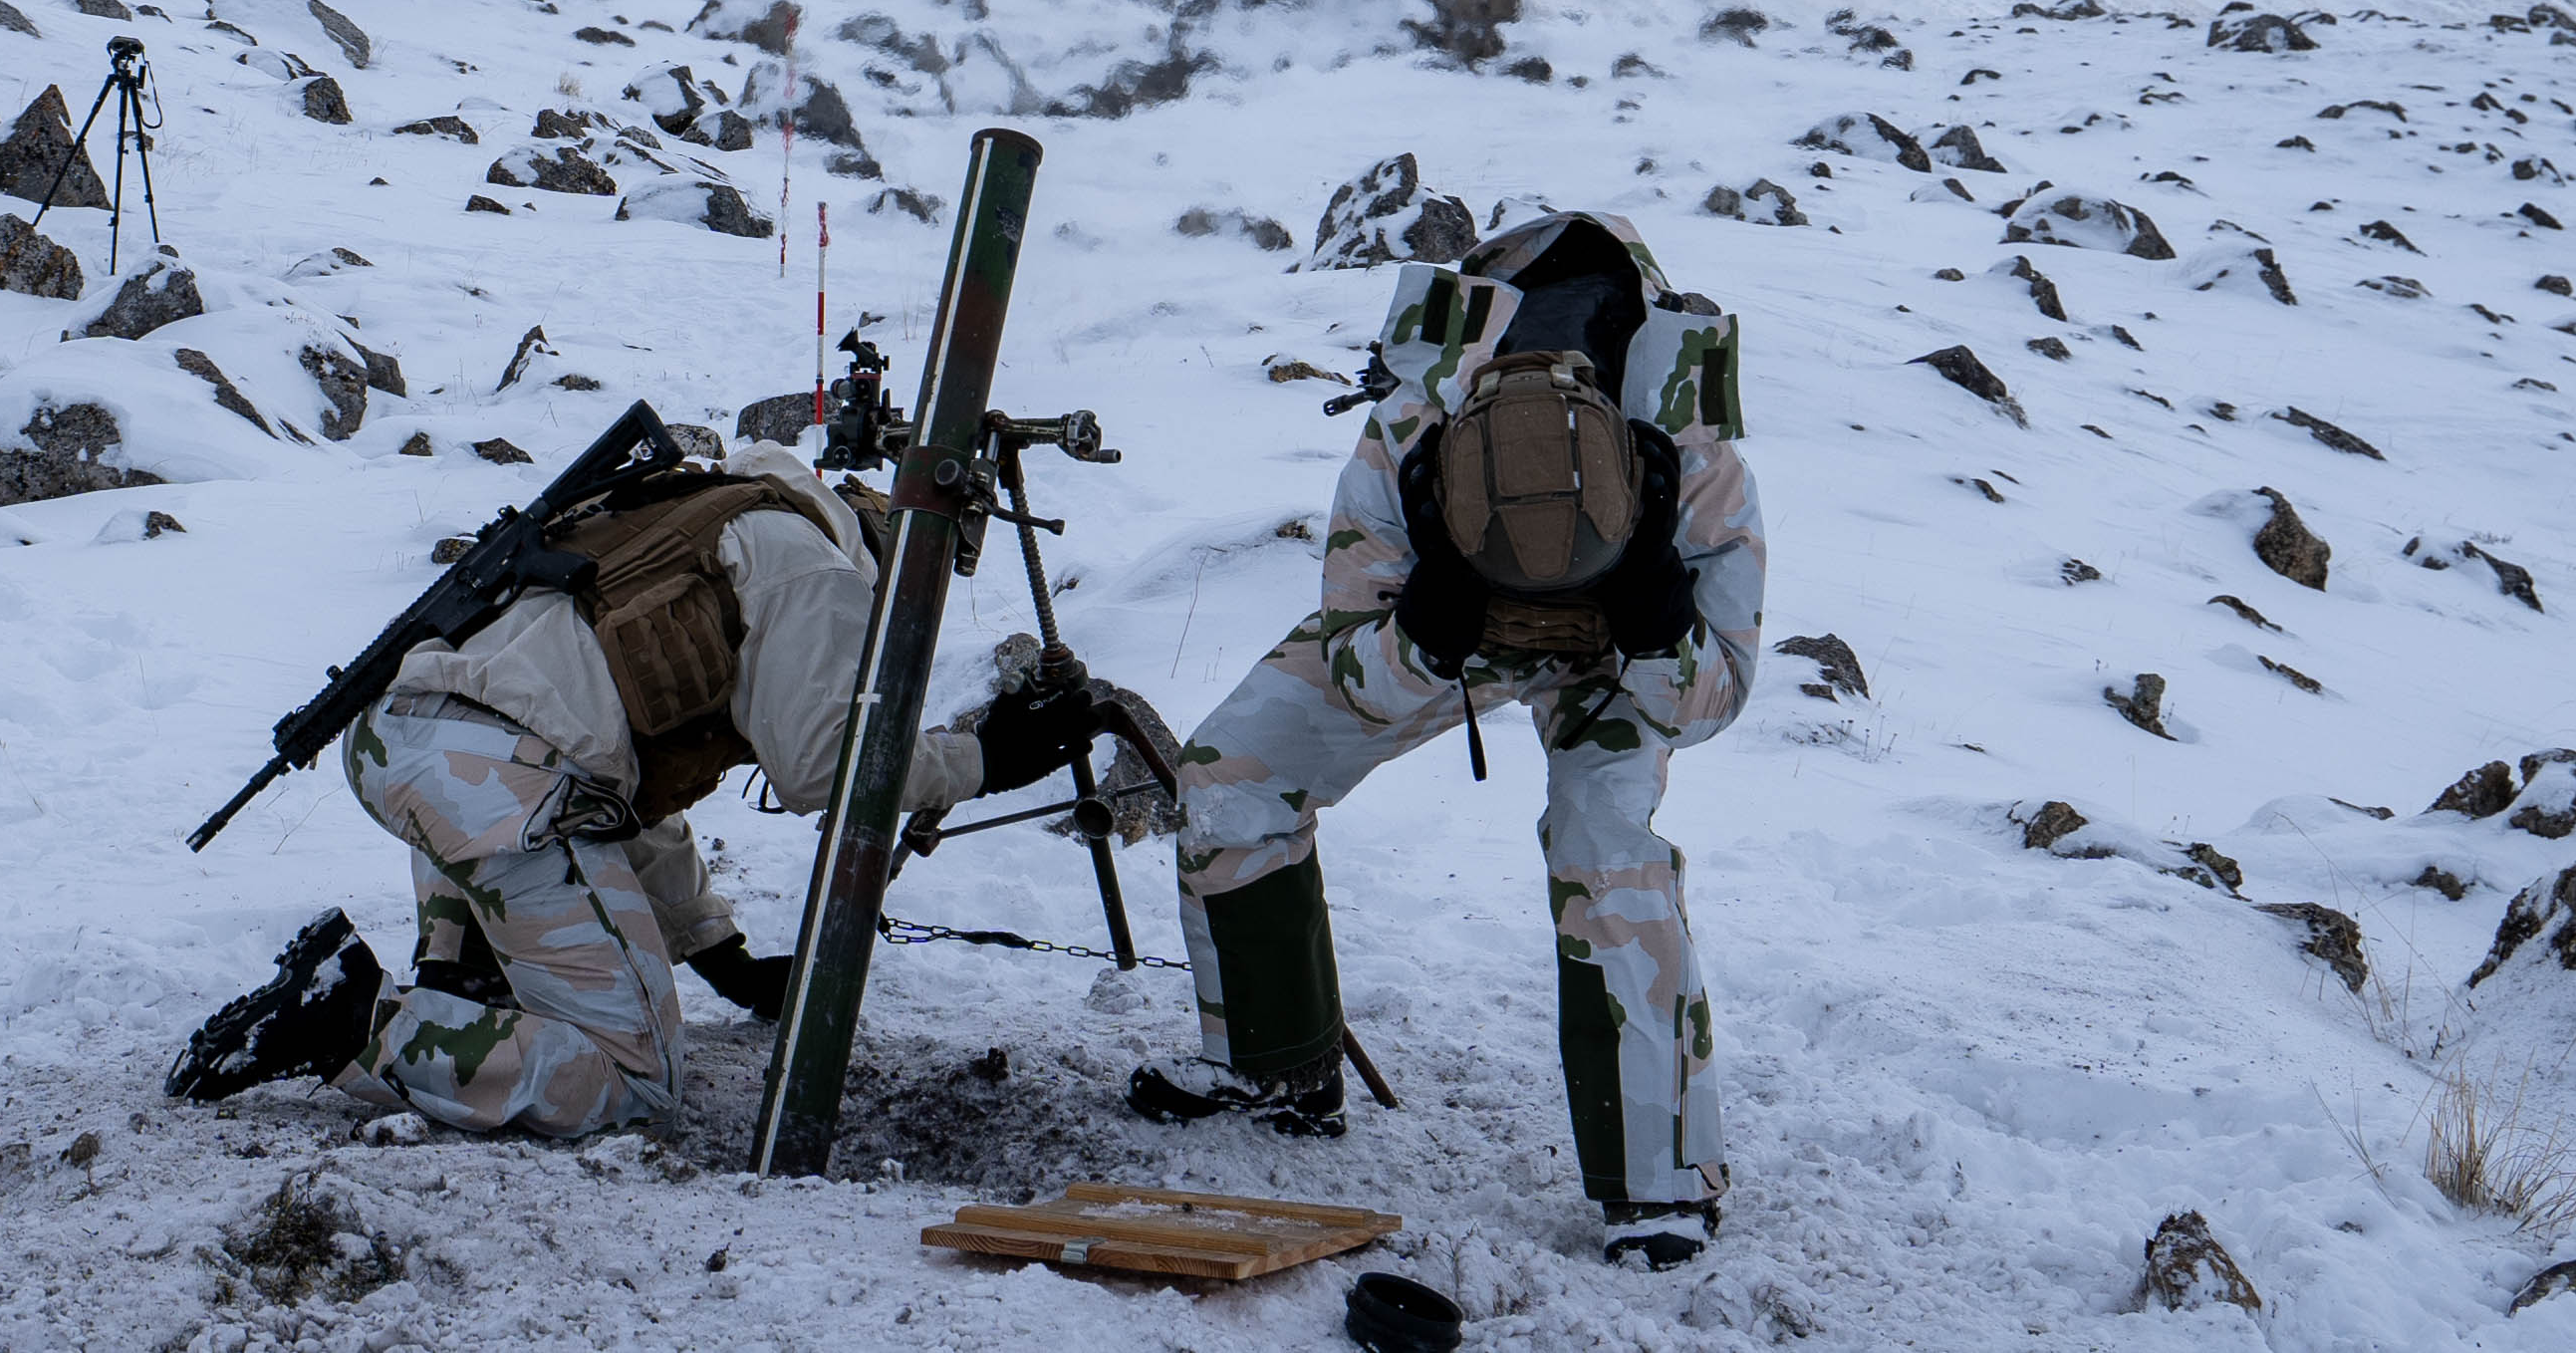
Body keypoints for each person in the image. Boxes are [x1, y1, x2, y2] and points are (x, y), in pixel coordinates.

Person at [1138, 205, 1760, 1268]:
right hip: (1444, 627)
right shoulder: (1413, 433)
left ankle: (1661, 1184)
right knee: (1232, 772)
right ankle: (1272, 1064)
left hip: (1614, 660)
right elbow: (1353, 658)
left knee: (1609, 850)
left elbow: (1714, 693)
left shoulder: (1688, 452)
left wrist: (1653, 615)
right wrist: (1431, 625)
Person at [169, 436, 1105, 1136]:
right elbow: (825, 765)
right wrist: (988, 759)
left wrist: (720, 954)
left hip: (412, 743)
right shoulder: (823, 573)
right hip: (498, 781)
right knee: (635, 1073)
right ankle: (349, 1025)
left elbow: (628, 763)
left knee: (558, 817)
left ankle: (460, 978)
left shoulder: (699, 513)